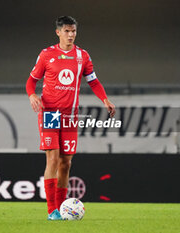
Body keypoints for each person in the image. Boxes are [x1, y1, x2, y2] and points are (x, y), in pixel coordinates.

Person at [26, 16, 116, 220]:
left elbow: (93, 81)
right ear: (58, 32)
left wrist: (105, 99)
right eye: (67, 31)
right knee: (53, 158)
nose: (71, 34)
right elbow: (31, 81)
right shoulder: (46, 54)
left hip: (70, 115)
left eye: (73, 31)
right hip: (50, 113)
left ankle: (61, 208)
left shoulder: (82, 56)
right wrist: (32, 95)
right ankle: (51, 211)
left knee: (66, 162)